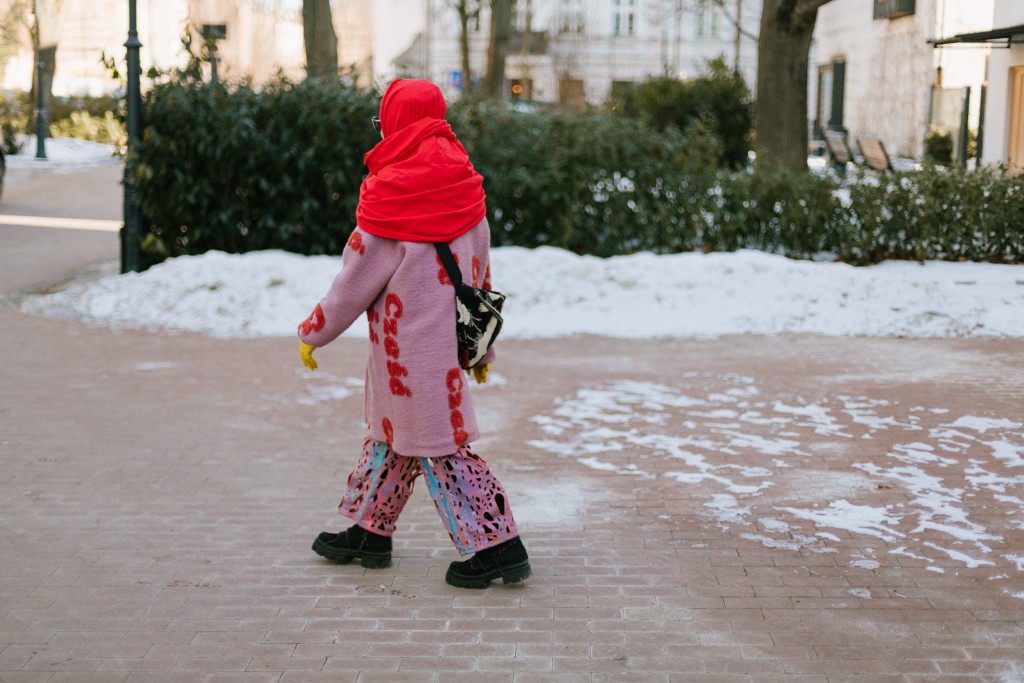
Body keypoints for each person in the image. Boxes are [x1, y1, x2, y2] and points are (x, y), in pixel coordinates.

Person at [296, 78, 530, 589]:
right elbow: (477, 278)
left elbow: (352, 284)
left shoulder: (389, 196)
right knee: (392, 440)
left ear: (397, 124)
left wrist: (314, 332)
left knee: (442, 450)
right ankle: (370, 533)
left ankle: (499, 546)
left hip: (403, 357)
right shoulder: (466, 186)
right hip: (442, 350)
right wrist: (482, 350)